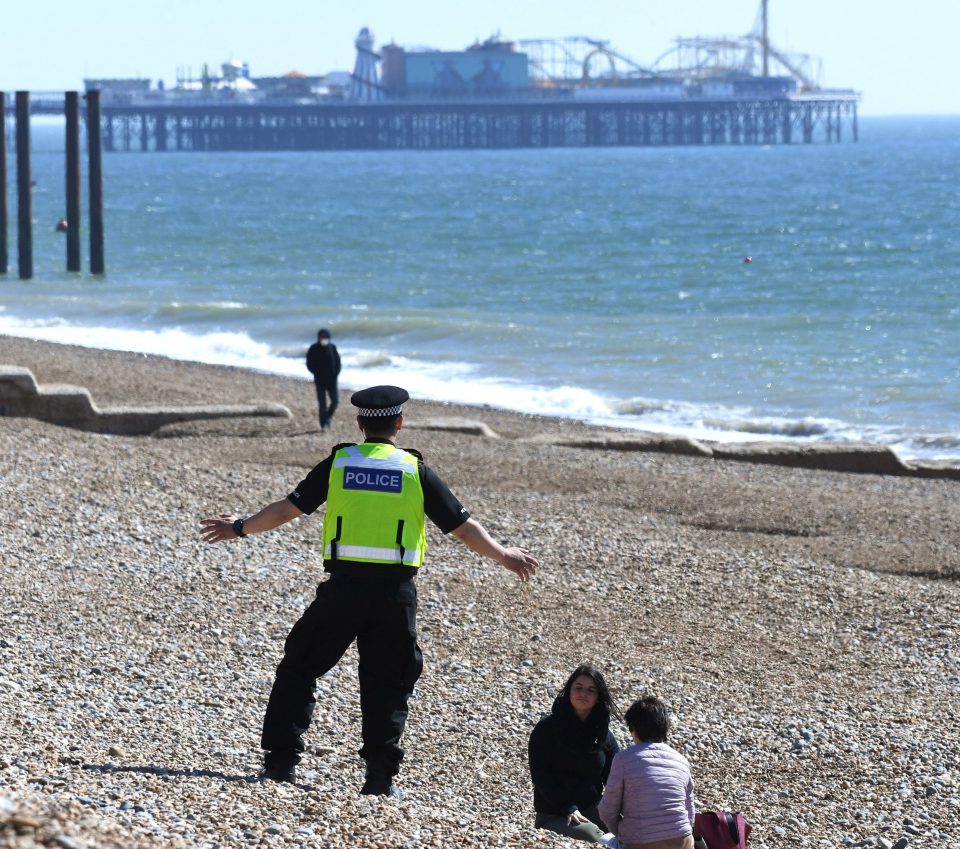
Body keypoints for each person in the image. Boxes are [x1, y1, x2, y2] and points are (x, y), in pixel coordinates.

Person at [199, 384, 538, 796]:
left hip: (343, 590)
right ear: (400, 422)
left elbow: (288, 508)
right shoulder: (415, 471)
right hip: (394, 594)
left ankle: (281, 765)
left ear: (360, 423)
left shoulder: (340, 463)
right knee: (387, 682)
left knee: (300, 667)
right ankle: (378, 780)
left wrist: (239, 527)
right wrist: (504, 555)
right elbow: (461, 527)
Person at [528, 665, 622, 844]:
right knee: (592, 835)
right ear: (569, 690)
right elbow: (541, 777)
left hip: (592, 807)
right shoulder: (546, 730)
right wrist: (568, 808)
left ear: (598, 697)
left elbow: (615, 778)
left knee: (630, 831)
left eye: (590, 690)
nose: (583, 694)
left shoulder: (603, 734)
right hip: (554, 812)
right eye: (578, 688)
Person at [597, 696, 697, 849]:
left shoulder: (623, 759)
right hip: (682, 840)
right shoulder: (681, 760)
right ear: (664, 728)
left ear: (633, 729)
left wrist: (622, 833)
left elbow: (607, 810)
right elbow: (689, 812)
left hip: (642, 842)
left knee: (604, 841)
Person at [305, 328, 341, 431]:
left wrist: (336, 373)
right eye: (322, 337)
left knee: (335, 401)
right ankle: (324, 424)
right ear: (318, 338)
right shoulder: (313, 348)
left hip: (332, 381)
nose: (324, 339)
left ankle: (328, 417)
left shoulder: (332, 347)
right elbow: (309, 363)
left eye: (325, 337)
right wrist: (315, 372)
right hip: (320, 381)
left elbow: (338, 361)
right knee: (322, 405)